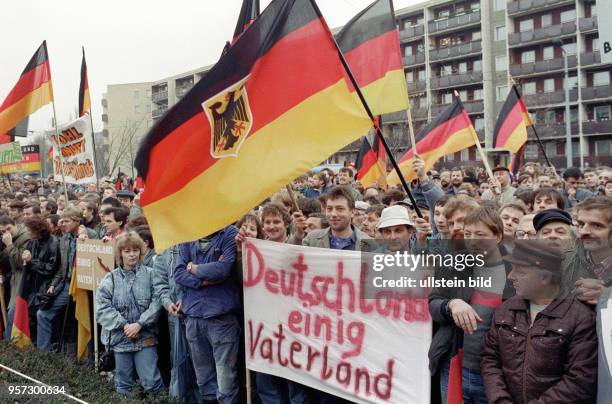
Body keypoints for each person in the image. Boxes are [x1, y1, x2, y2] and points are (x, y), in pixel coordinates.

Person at [481, 240, 597, 404]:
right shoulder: (505, 310)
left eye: (519, 271)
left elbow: (580, 381)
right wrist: (500, 400)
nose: (510, 276)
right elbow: (490, 360)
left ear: (545, 277)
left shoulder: (580, 318)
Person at [431, 205, 514, 404]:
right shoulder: (454, 264)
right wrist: (451, 304)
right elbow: (433, 302)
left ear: (498, 236)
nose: (473, 240)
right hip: (455, 365)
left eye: (480, 234)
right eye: (468, 234)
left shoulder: (517, 270)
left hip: (497, 376)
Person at [175, 224, 241, 404]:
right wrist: (203, 282)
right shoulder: (188, 234)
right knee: (203, 377)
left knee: (226, 378)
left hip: (221, 317)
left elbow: (223, 270)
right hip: (194, 315)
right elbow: (178, 273)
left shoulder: (230, 233)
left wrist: (194, 268)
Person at [96, 232, 165, 396]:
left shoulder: (151, 274)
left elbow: (157, 302)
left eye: (135, 250)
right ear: (120, 253)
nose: (132, 254)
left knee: (152, 382)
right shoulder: (110, 279)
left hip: (146, 337)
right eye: (127, 251)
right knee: (123, 385)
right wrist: (124, 325)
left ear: (141, 251)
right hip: (120, 340)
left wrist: (140, 324)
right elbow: (102, 307)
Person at [37, 207, 96, 351]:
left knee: (85, 322)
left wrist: (85, 240)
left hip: (84, 287)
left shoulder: (91, 234)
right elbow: (62, 268)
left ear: (77, 221)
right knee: (42, 314)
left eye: (66, 221)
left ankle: (88, 361)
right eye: (61, 221)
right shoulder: (63, 239)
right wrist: (53, 284)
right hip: (66, 285)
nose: (62, 224)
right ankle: (42, 352)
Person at [562, 196, 612, 304]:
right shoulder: (563, 262)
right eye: (581, 224)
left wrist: (607, 297)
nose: (584, 231)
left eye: (597, 225)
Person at [19, 217, 61, 343]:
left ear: (38, 230)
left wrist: (31, 261)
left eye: (30, 231)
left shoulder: (54, 243)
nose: (28, 233)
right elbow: (26, 266)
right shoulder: (32, 242)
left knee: (43, 319)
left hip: (46, 288)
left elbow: (51, 268)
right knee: (31, 319)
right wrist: (25, 260)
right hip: (33, 288)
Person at [0, 216, 30, 338]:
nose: (6, 233)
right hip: (13, 281)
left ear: (15, 225)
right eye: (2, 232)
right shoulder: (12, 238)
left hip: (23, 283)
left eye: (8, 229)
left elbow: (19, 263)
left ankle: (11, 348)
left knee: (14, 316)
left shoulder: (25, 237)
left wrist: (10, 245)